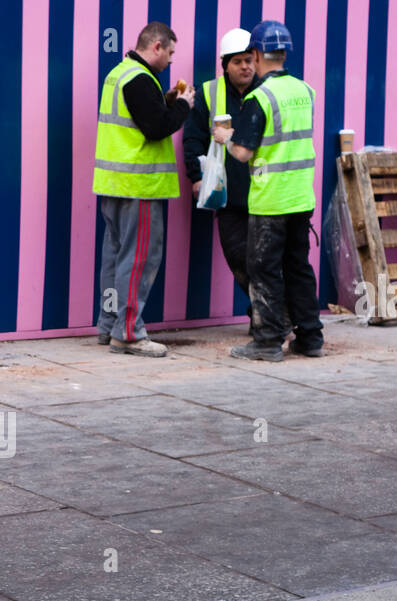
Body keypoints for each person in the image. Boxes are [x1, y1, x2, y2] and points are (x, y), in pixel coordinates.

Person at [213, 20, 323, 361]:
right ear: (285, 52)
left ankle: (267, 341)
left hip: (270, 199)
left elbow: (243, 152)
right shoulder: (306, 91)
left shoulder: (260, 97)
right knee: (298, 267)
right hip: (301, 196)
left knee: (263, 270)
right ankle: (310, 338)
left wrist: (225, 137)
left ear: (258, 54)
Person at [92, 21, 196, 357]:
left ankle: (109, 325)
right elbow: (155, 128)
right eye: (170, 53)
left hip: (114, 183)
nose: (170, 61)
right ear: (156, 47)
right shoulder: (140, 79)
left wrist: (163, 100)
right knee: (138, 260)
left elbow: (138, 116)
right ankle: (129, 333)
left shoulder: (119, 73)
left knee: (115, 257)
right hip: (139, 185)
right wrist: (182, 107)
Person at [183, 28, 256, 333]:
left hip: (264, 193)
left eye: (250, 60)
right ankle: (268, 312)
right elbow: (192, 138)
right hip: (225, 194)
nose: (246, 67)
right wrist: (196, 176)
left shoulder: (265, 92)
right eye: (238, 61)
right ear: (225, 64)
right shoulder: (209, 93)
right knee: (239, 259)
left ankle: (267, 317)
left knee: (267, 260)